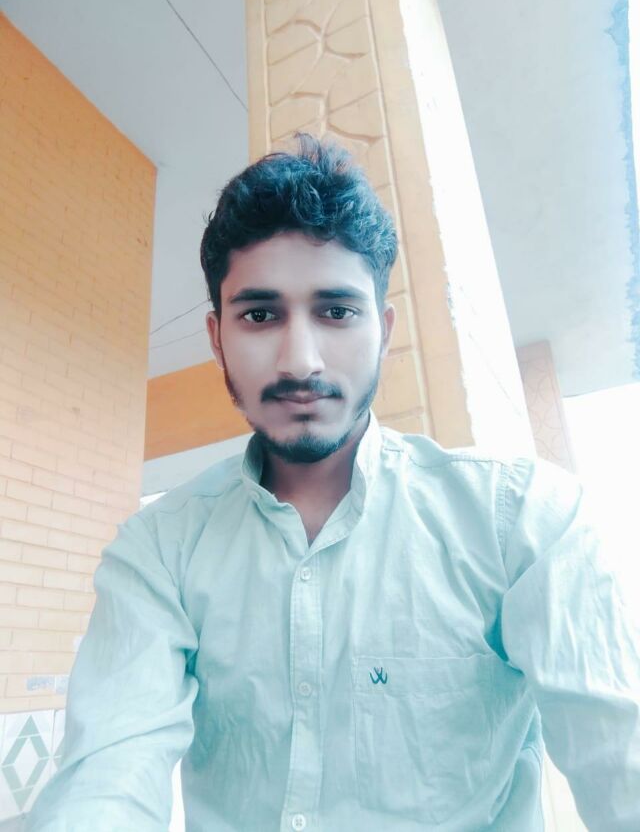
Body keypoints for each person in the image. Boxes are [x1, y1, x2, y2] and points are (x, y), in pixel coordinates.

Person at [27, 135, 639, 831]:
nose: (301, 360)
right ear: (218, 338)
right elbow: (106, 778)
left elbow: (622, 758)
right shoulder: (161, 549)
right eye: (260, 315)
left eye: (337, 311)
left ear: (383, 329)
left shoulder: (524, 523)